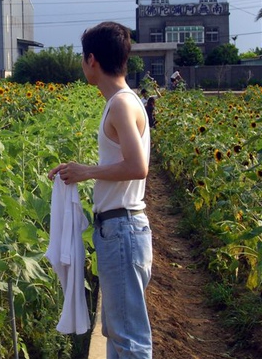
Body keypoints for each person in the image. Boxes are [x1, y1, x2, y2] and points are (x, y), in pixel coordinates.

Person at [48, 21, 153, 358]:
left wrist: (86, 172)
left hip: (123, 230)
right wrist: (76, 172)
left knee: (129, 338)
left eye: (82, 58)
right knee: (116, 332)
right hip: (119, 230)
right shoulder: (124, 101)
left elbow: (138, 167)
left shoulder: (121, 104)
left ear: (91, 60)